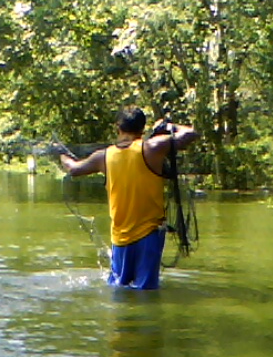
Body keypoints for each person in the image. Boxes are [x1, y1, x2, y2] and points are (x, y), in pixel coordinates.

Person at [58, 106, 198, 290]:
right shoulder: (154, 147)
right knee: (146, 292)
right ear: (142, 128)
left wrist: (60, 154)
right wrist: (169, 125)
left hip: (120, 238)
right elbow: (191, 133)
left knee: (118, 289)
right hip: (149, 235)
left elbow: (73, 168)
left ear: (118, 127)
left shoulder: (104, 156)